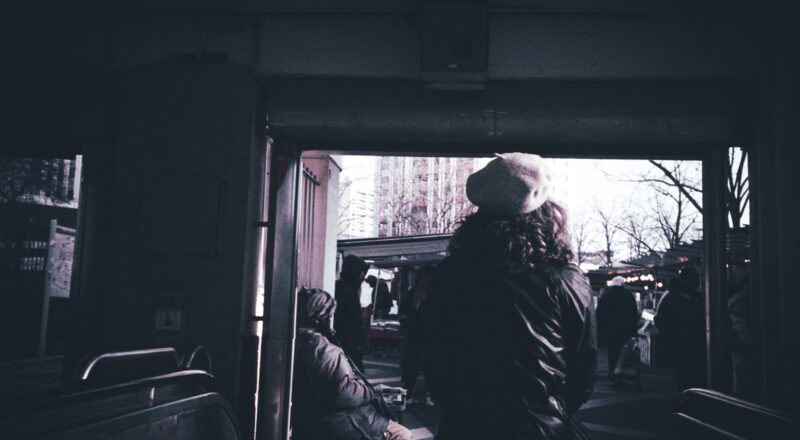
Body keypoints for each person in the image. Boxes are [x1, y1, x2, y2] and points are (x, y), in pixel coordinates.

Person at [424, 153, 597, 440]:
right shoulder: (565, 278)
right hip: (542, 430)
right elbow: (583, 373)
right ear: (545, 212)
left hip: (464, 427)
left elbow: (434, 364)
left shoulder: (449, 274)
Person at [292, 288, 414, 440]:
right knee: (403, 435)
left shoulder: (303, 339)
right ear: (321, 316)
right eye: (330, 314)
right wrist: (372, 392)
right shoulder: (320, 347)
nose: (331, 318)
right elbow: (342, 393)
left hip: (332, 417)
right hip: (341, 420)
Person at [655, 265, 707, 392]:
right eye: (695, 279)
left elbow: (659, 319)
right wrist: (673, 333)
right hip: (684, 342)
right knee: (686, 375)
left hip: (690, 342)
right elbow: (660, 320)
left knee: (690, 375)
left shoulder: (677, 297)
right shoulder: (692, 298)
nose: (697, 283)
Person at [596, 276, 639, 386]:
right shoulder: (628, 296)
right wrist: (633, 331)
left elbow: (598, 314)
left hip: (608, 330)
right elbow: (633, 315)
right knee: (622, 351)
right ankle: (618, 372)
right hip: (623, 330)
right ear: (622, 284)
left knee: (612, 352)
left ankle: (611, 371)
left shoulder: (605, 296)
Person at [401, 266, 435, 406]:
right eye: (422, 277)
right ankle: (409, 392)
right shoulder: (413, 291)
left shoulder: (434, 293)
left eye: (426, 277)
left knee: (429, 365)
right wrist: (406, 319)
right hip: (414, 332)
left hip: (430, 334)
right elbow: (404, 309)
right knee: (412, 364)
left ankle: (429, 394)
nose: (423, 279)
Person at [335, 254, 369, 371]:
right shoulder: (349, 290)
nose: (363, 276)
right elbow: (350, 322)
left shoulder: (342, 286)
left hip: (342, 341)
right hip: (346, 342)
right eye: (362, 273)